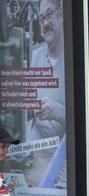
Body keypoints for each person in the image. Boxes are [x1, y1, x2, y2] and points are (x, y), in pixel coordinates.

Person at [27, 0, 65, 143]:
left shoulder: (74, 60)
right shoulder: (36, 56)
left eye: (49, 14)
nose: (46, 23)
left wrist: (57, 111)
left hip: (63, 157)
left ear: (60, 14)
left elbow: (85, 118)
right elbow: (28, 109)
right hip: (34, 149)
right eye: (42, 18)